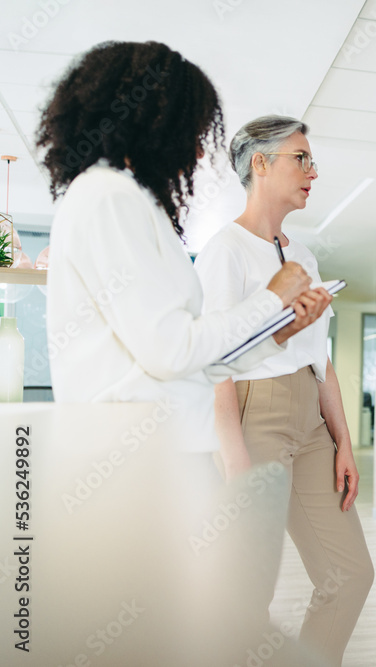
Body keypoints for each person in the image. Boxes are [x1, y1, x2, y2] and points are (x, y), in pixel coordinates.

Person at [40, 42, 330, 462]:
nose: (197, 150)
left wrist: (275, 335)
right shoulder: (109, 196)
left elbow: (189, 360)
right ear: (152, 122)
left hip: (158, 452)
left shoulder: (133, 202)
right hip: (127, 458)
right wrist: (272, 297)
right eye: (193, 130)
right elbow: (172, 352)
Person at [195, 115, 373, 666]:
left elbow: (319, 357)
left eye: (311, 160)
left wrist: (344, 440)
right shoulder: (225, 249)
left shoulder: (307, 258)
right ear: (261, 163)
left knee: (351, 575)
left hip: (312, 417)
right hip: (256, 412)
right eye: (302, 158)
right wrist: (234, 460)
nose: (312, 171)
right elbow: (214, 362)